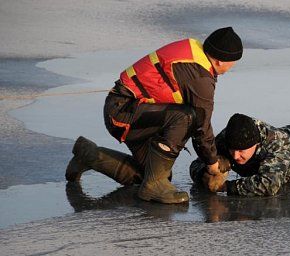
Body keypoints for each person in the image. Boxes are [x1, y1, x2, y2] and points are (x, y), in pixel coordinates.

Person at [65, 27, 243, 204]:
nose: (232, 67)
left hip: (134, 113)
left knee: (150, 175)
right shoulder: (200, 77)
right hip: (124, 113)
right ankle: (154, 184)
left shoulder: (193, 51)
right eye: (233, 62)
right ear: (220, 60)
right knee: (187, 117)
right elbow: (201, 124)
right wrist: (212, 163)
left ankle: (88, 155)